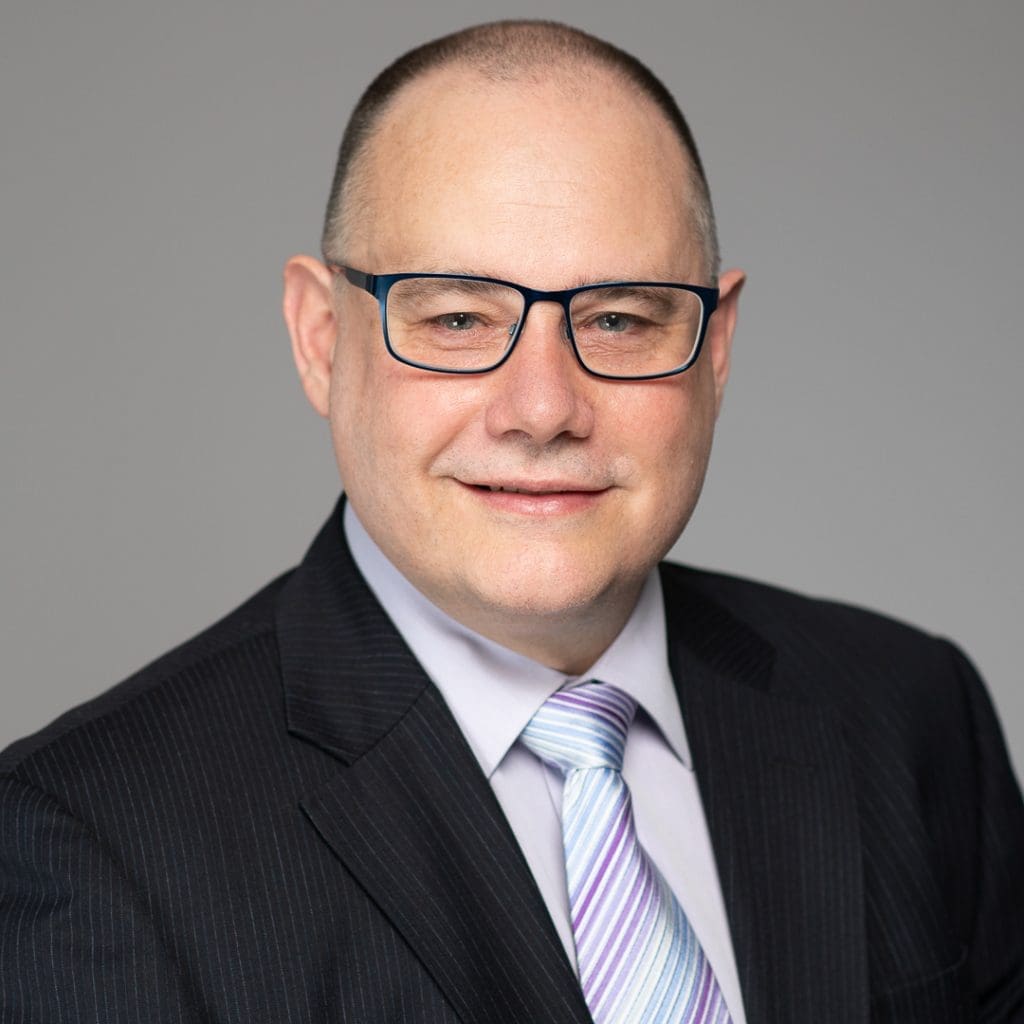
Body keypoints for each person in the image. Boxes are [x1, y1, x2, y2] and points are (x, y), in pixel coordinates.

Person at [1, 18, 1022, 1023]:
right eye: (455, 318)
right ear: (320, 340)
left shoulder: (909, 712)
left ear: (715, 349)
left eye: (619, 319)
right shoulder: (89, 839)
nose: (542, 408)